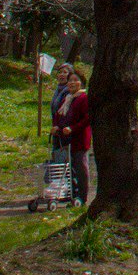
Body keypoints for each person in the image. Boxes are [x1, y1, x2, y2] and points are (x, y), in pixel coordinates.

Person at [51, 63, 92, 206]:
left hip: (79, 139)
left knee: (81, 168)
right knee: (68, 169)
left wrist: (73, 128)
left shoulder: (83, 98)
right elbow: (58, 114)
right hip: (65, 139)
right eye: (70, 81)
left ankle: (82, 197)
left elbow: (87, 119)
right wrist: (56, 126)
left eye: (75, 80)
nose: (72, 83)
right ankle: (71, 195)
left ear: (81, 83)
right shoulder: (67, 98)